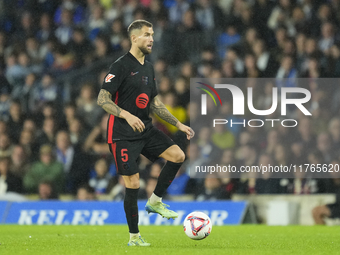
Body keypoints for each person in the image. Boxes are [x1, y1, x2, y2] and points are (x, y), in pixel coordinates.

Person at [97, 20, 194, 246]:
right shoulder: (120, 66)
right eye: (147, 35)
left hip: (144, 128)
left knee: (178, 155)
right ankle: (134, 237)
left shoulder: (148, 68)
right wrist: (126, 115)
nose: (151, 38)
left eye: (152, 34)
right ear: (134, 38)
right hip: (121, 133)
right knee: (133, 183)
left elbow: (155, 103)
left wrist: (178, 124)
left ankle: (155, 201)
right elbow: (102, 98)